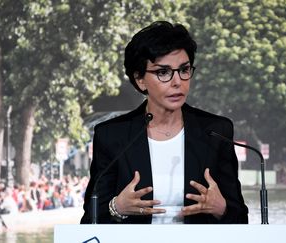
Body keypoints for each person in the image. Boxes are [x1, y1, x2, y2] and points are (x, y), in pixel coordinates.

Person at [81, 21, 248, 224]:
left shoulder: (215, 131)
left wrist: (221, 209)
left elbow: (240, 217)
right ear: (140, 79)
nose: (177, 81)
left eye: (184, 69)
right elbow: (90, 218)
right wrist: (117, 207)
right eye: (163, 72)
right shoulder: (112, 135)